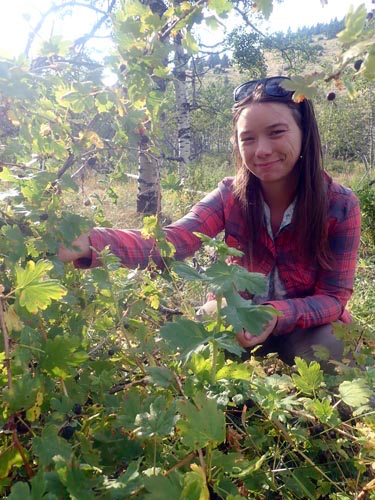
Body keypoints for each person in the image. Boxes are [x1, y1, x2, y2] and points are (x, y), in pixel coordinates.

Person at [58, 76, 361, 372]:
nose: (262, 150)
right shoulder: (230, 195)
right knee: (205, 328)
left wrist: (275, 314)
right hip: (237, 318)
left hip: (303, 326)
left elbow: (333, 298)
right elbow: (173, 240)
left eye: (276, 132)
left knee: (333, 346)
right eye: (248, 138)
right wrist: (89, 241)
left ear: (304, 132)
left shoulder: (340, 205)